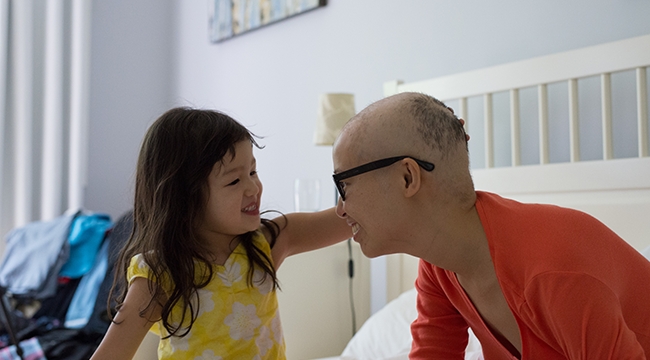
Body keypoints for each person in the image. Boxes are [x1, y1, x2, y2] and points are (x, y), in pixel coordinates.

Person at [331, 92, 650, 359]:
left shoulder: (552, 271)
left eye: (343, 185)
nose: (340, 209)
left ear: (407, 177)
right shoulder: (439, 265)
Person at [91, 107, 351, 360]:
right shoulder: (159, 272)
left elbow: (352, 216)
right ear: (185, 199)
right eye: (234, 181)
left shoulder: (268, 241)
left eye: (252, 171)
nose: (253, 188)